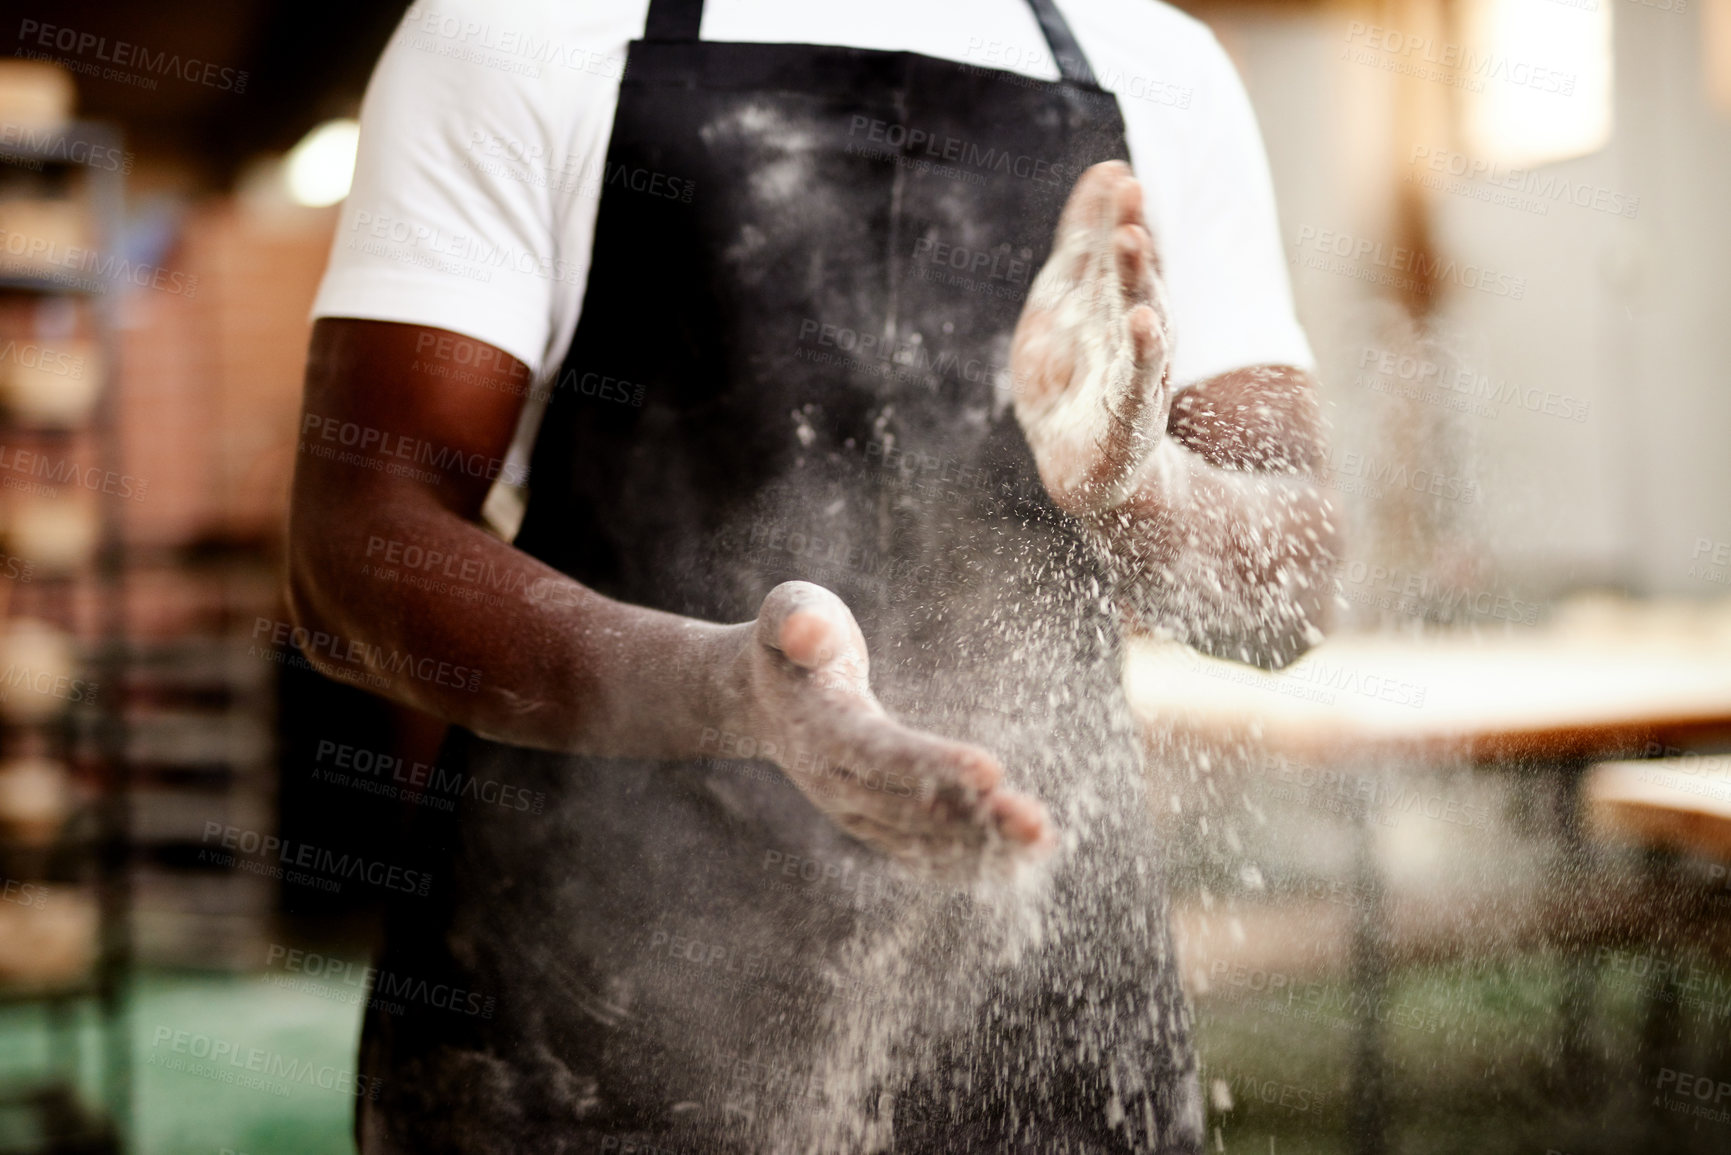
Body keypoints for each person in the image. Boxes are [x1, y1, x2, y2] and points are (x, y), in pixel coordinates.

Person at [288, 0, 1335, 1150]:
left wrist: (1135, 482)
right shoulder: (514, 27)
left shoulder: (1158, 61)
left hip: (1038, 993)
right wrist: (727, 690)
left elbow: (1286, 588)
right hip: (596, 1003)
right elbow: (355, 539)